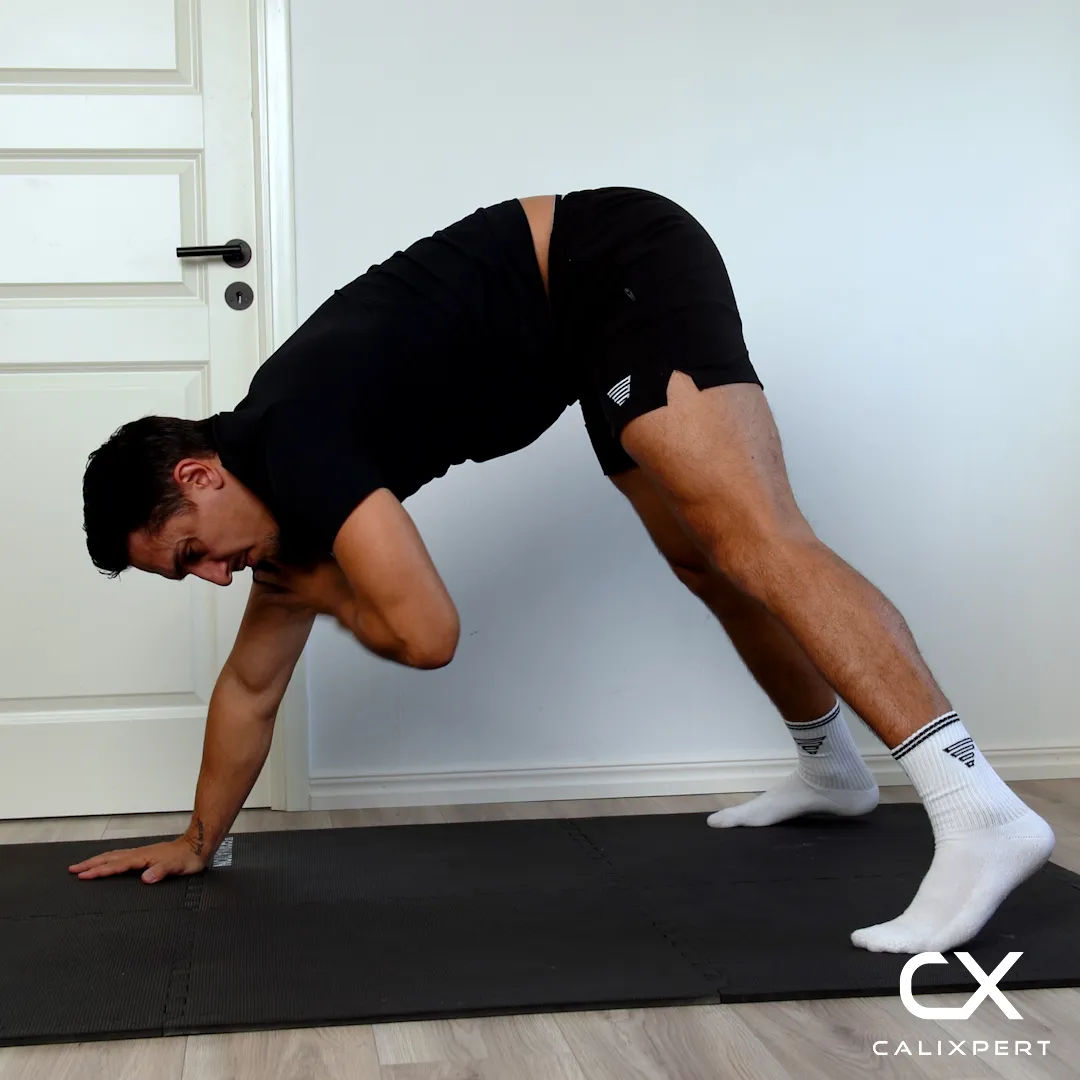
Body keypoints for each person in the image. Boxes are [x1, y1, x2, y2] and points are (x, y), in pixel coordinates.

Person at [73, 186, 1054, 954]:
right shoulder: (278, 511)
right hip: (574, 339)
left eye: (190, 554)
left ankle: (980, 812)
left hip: (610, 262)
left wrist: (331, 596)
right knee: (705, 562)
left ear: (199, 475)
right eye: (186, 577)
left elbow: (429, 635)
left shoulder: (294, 441)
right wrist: (197, 843)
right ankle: (833, 772)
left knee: (759, 537)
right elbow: (250, 688)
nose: (213, 579)